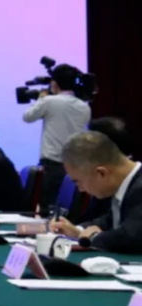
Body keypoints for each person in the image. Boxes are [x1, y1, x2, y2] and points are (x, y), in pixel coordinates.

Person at [50, 131, 141, 253]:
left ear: (102, 173)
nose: (80, 189)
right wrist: (77, 230)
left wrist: (91, 237)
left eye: (78, 182)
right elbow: (110, 220)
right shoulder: (126, 185)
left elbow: (131, 238)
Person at [22, 63, 91, 214]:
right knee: (67, 209)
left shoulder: (49, 101)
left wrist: (41, 98)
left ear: (54, 83)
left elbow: (27, 117)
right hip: (75, 166)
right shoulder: (84, 106)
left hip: (51, 167)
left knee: (46, 209)